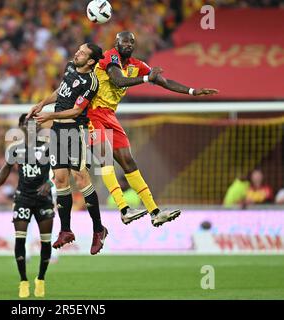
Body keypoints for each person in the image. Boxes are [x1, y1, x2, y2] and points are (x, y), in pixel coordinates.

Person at [88, 31, 219, 227]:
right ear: (117, 42)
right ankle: (124, 209)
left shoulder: (136, 65)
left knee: (129, 162)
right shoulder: (110, 57)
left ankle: (155, 212)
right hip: (92, 112)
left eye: (132, 41)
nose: (128, 44)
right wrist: (147, 79)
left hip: (109, 116)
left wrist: (192, 91)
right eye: (124, 41)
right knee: (105, 157)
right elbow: (118, 80)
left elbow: (163, 81)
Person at [28, 43, 108, 255]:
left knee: (81, 178)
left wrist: (50, 115)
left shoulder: (92, 83)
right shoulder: (70, 68)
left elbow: (76, 110)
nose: (77, 53)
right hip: (57, 132)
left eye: (82, 53)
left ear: (91, 61)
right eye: (78, 50)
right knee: (60, 179)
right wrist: (42, 104)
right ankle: (65, 230)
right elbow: (61, 91)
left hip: (75, 132)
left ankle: (98, 229)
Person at [0, 114, 55, 298]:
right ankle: (23, 281)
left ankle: (41, 279)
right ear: (21, 127)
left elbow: (64, 169)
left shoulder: (49, 147)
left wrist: (51, 183)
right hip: (23, 198)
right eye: (26, 124)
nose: (30, 126)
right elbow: (5, 169)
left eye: (34, 123)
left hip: (43, 199)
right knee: (20, 239)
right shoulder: (16, 149)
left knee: (46, 242)